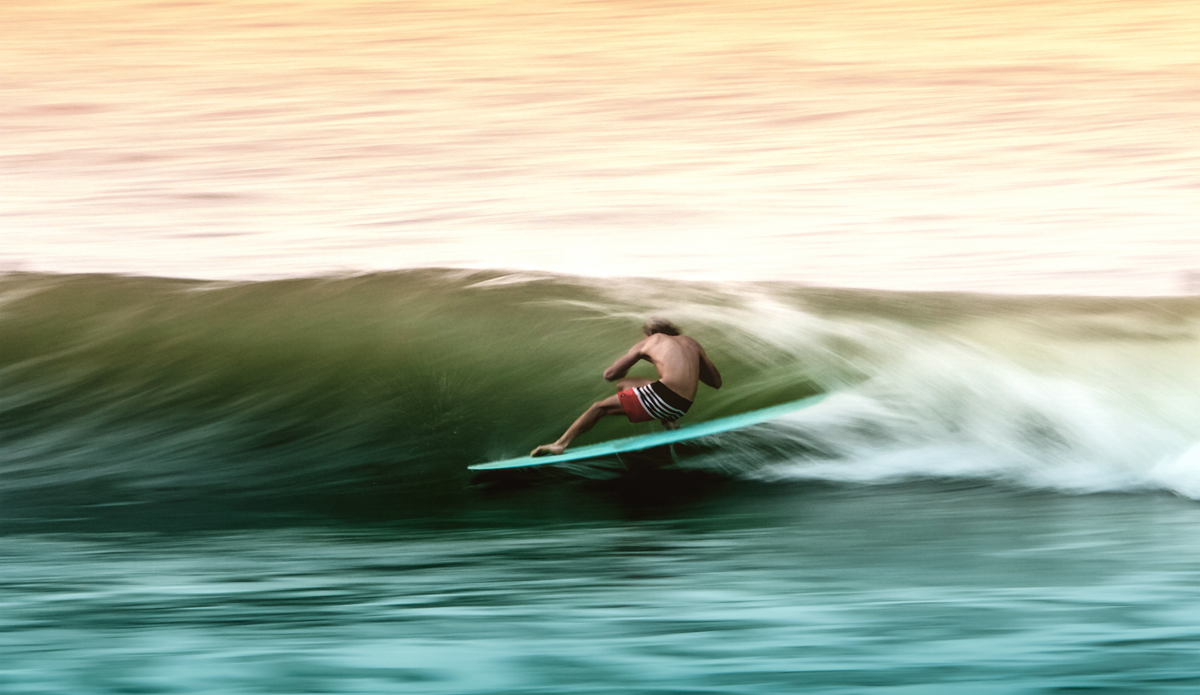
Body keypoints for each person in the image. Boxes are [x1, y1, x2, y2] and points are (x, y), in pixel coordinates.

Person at [531, 318, 722, 457]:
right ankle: (670, 420)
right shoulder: (691, 343)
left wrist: (636, 357)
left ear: (649, 333)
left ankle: (560, 444)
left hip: (664, 398)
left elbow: (610, 374)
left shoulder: (650, 341)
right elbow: (716, 382)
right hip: (683, 405)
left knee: (599, 408)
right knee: (624, 385)